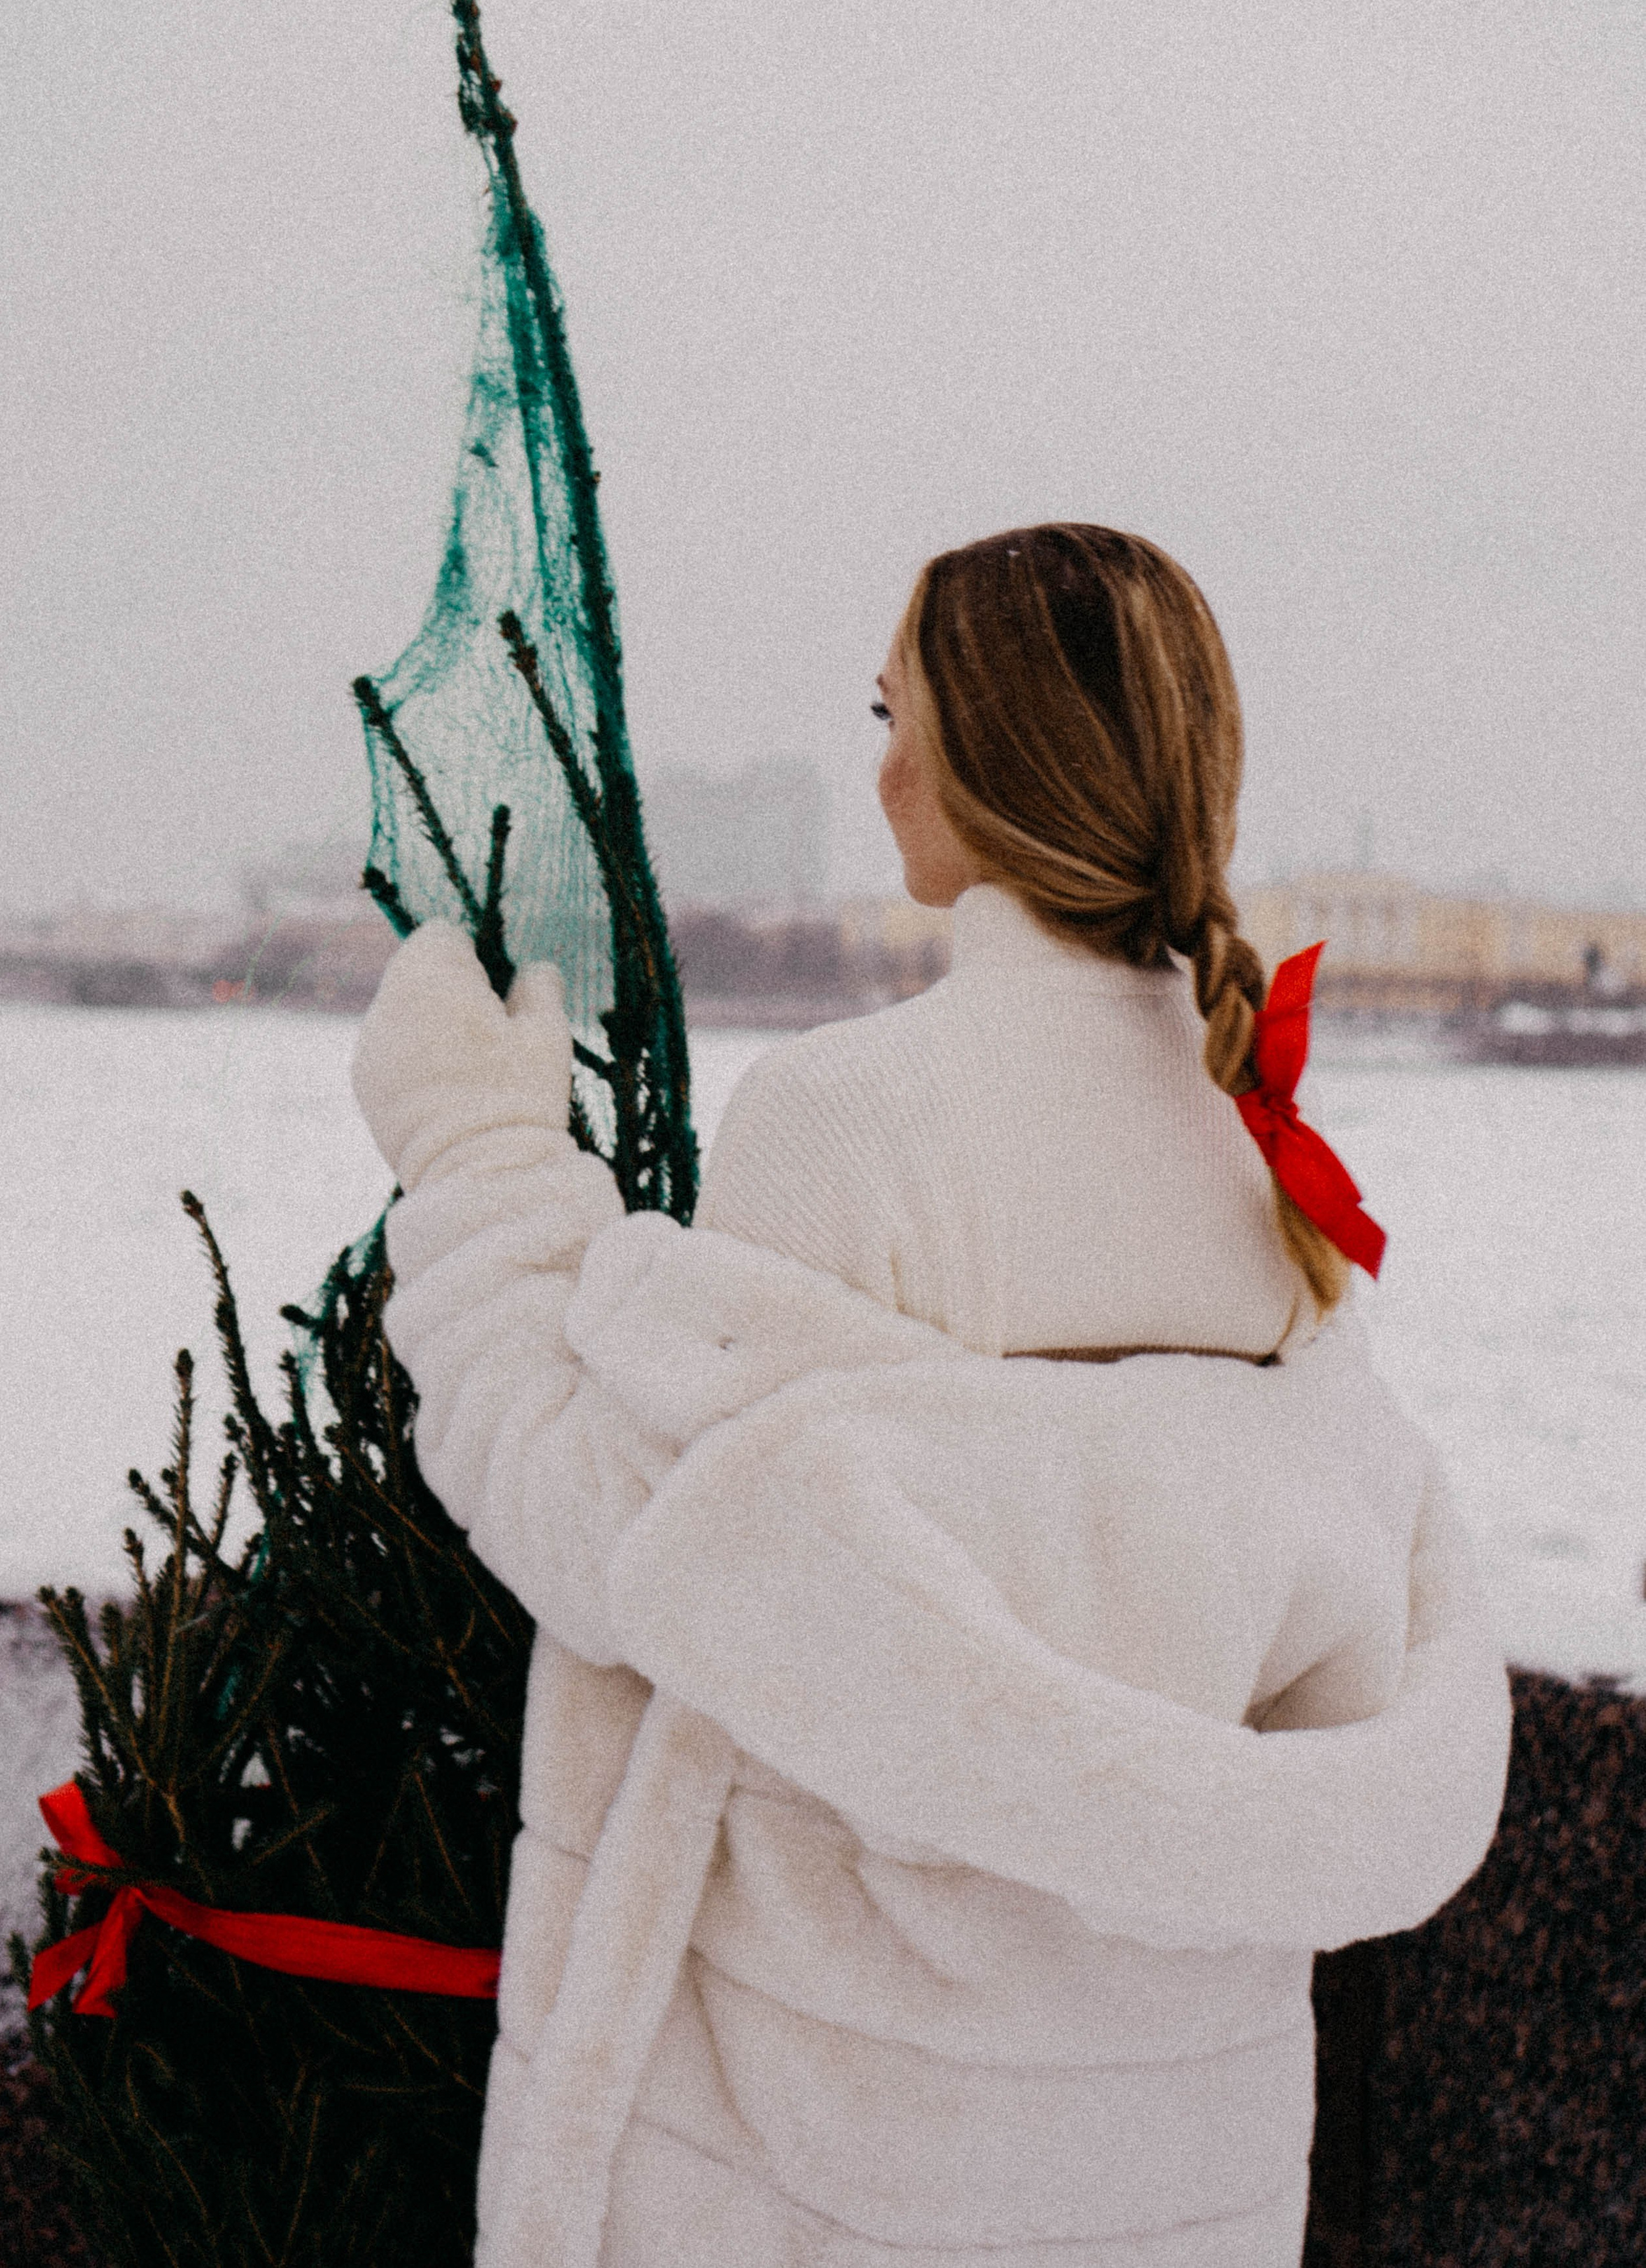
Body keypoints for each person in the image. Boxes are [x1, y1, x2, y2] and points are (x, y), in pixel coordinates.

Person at [353, 523, 1510, 2267]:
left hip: (816, 2175)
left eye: (896, 711)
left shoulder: (847, 1122)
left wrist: (480, 1156)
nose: (879, 764)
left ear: (980, 752)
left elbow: (625, 1536)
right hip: (1161, 2187)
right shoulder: (1270, 1181)